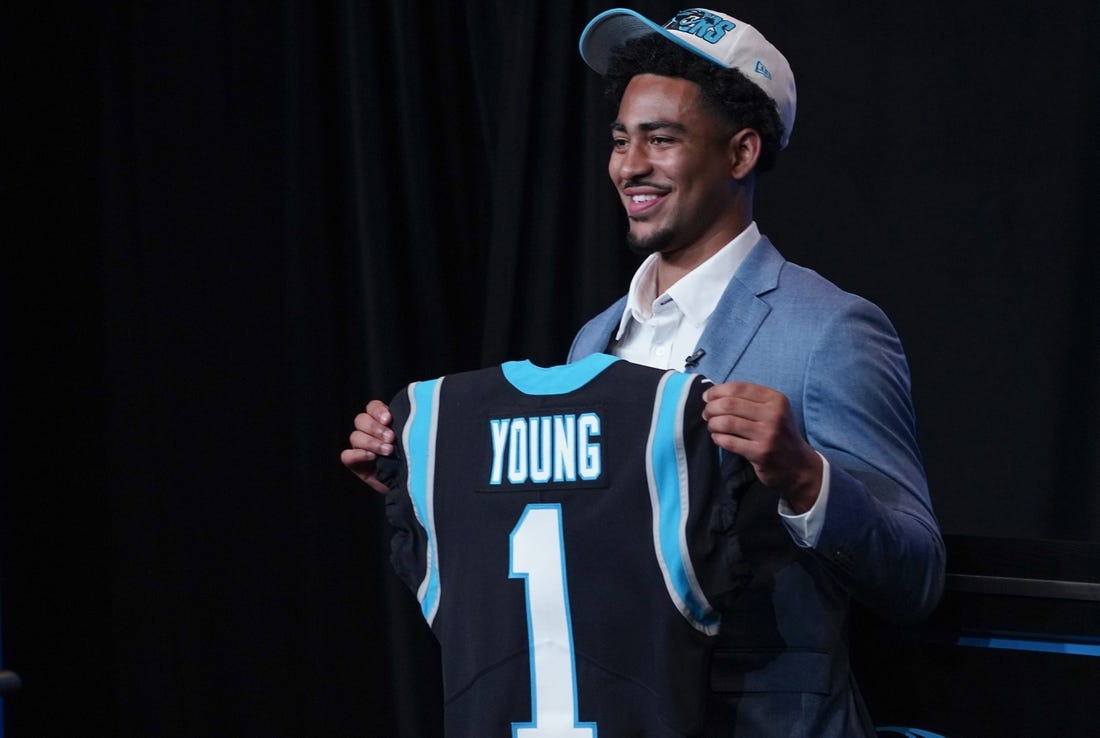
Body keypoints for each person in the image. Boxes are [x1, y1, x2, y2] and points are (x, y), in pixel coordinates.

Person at [342, 7, 945, 737]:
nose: (630, 166)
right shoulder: (594, 341)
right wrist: (419, 478)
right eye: (621, 140)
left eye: (662, 139)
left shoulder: (830, 331)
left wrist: (807, 478)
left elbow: (917, 577)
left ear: (741, 152)